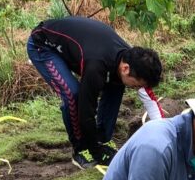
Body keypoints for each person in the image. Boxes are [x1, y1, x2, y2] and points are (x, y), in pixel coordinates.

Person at [27, 15, 165, 170]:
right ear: (126, 68)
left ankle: (103, 138)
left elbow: (149, 98)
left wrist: (163, 135)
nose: (136, 88)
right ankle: (81, 149)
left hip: (81, 47)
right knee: (73, 95)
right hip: (43, 45)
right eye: (136, 85)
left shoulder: (129, 59)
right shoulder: (97, 66)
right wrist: (96, 152)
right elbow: (86, 111)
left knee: (117, 84)